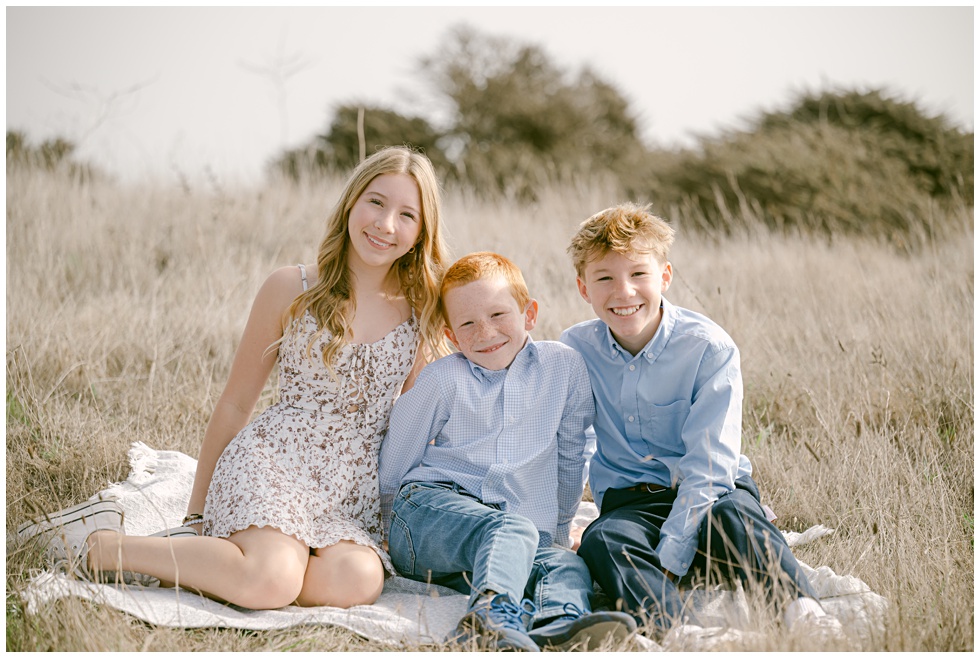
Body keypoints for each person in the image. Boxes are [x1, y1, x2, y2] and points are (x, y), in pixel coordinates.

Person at [17, 146, 451, 610]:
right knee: (271, 582)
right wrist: (197, 512)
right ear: (351, 202)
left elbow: (412, 434)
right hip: (274, 463)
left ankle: (220, 564)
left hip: (350, 493)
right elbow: (235, 403)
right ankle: (107, 548)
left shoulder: (422, 314)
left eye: (407, 214)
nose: (386, 225)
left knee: (357, 582)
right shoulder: (292, 288)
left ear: (421, 232)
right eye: (376, 202)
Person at [559, 203, 845, 638]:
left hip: (712, 496)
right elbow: (571, 445)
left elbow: (711, 468)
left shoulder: (709, 348)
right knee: (603, 540)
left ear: (665, 277)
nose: (624, 292)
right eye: (605, 278)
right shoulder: (575, 349)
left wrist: (672, 555)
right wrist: (561, 527)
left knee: (738, 516)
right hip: (632, 504)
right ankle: (680, 632)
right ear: (584, 288)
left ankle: (802, 612)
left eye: (639, 274)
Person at [378, 251, 636, 652]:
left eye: (498, 315)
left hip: (496, 540)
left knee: (563, 561)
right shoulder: (444, 379)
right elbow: (397, 453)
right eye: (468, 323)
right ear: (451, 335)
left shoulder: (563, 367)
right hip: (427, 516)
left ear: (529, 314)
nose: (485, 332)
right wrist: (382, 528)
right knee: (513, 529)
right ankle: (488, 616)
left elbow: (571, 454)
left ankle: (560, 621)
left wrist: (559, 531)